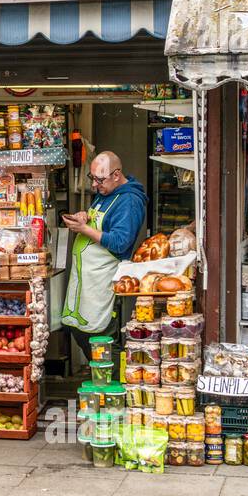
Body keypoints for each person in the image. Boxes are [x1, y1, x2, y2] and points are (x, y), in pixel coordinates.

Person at [60, 151, 147, 364]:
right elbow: (102, 223)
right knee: (83, 334)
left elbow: (120, 242)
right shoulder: (106, 194)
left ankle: (112, 390)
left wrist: (83, 229)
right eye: (93, 179)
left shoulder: (129, 201)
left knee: (105, 345)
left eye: (99, 180)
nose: (94, 186)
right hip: (86, 286)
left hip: (102, 285)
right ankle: (99, 385)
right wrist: (84, 216)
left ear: (116, 175)